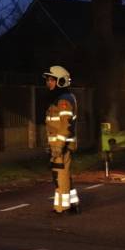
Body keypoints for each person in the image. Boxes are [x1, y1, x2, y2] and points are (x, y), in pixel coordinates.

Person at [43, 65, 80, 214]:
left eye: (52, 80)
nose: (48, 83)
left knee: (60, 176)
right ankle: (73, 204)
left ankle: (62, 207)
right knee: (64, 174)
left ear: (61, 81)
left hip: (62, 145)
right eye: (48, 80)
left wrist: (58, 145)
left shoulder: (63, 101)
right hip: (60, 144)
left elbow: (65, 125)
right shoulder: (62, 98)